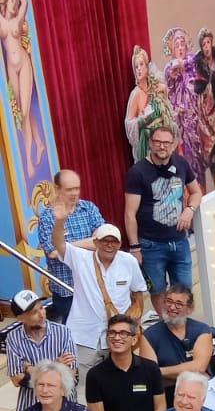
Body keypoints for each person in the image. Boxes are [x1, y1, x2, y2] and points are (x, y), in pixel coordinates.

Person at [45, 223, 145, 374]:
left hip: (117, 337)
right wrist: (60, 219)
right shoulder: (79, 258)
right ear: (96, 242)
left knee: (118, 385)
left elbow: (138, 293)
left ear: (119, 244)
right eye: (105, 240)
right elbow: (58, 243)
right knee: (85, 389)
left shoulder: (129, 261)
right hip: (84, 337)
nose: (109, 245)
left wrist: (133, 321)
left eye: (114, 241)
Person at [124, 125, 202, 289]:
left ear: (174, 145)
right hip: (151, 245)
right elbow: (130, 214)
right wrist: (135, 248)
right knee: (157, 291)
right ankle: (164, 317)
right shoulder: (137, 172)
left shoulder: (181, 163)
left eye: (167, 142)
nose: (162, 146)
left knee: (183, 291)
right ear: (150, 144)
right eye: (158, 142)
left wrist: (190, 210)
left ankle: (177, 316)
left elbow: (196, 192)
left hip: (180, 241)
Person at [34, 169, 106, 321]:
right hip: (66, 289)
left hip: (94, 281)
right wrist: (88, 243)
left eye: (77, 188)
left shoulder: (89, 208)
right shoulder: (48, 217)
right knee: (73, 334)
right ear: (57, 189)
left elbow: (102, 239)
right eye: (69, 189)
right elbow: (53, 252)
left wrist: (66, 246)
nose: (74, 193)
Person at [7, 291, 76, 411]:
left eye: (41, 308)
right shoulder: (13, 338)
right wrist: (56, 365)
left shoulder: (63, 332)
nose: (42, 314)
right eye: (34, 312)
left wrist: (30, 369)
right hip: (30, 407)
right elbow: (16, 380)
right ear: (21, 318)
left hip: (63, 407)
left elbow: (70, 375)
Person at [147, 283, 215, 407]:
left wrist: (161, 371)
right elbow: (150, 376)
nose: (172, 307)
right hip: (165, 398)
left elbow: (199, 367)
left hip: (200, 396)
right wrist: (191, 371)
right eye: (169, 301)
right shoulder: (149, 335)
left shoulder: (202, 330)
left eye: (179, 304)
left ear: (190, 308)